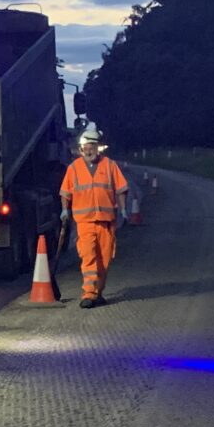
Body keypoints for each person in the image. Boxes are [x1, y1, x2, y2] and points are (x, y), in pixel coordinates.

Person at [59, 125, 129, 308]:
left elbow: (121, 189)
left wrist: (123, 210)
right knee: (89, 257)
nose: (89, 150)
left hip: (106, 222)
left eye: (93, 147)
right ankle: (88, 294)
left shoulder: (110, 166)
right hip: (85, 222)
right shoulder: (74, 169)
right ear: (82, 149)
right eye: (87, 147)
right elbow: (65, 193)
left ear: (98, 148)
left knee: (104, 260)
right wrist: (65, 209)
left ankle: (98, 292)